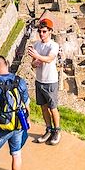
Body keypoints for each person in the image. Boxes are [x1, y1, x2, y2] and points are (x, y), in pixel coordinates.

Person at [27, 17, 61, 145]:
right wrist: (35, 62)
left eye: (44, 31)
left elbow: (50, 58)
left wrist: (37, 57)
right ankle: (48, 129)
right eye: (40, 31)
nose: (41, 34)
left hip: (50, 80)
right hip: (39, 79)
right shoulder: (36, 45)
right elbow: (34, 65)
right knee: (43, 107)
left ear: (50, 31)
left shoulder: (54, 45)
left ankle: (57, 131)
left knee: (53, 108)